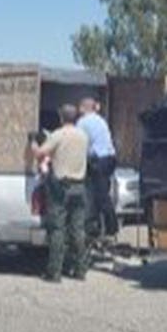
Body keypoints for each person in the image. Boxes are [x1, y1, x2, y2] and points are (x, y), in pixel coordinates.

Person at [30, 104, 89, 283]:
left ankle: (54, 272)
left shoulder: (58, 135)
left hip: (61, 187)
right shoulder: (83, 136)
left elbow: (41, 154)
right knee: (78, 230)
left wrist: (33, 142)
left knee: (57, 229)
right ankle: (80, 270)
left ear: (60, 117)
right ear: (76, 118)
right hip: (79, 186)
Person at [77, 97, 119, 237]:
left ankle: (111, 227)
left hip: (99, 160)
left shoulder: (83, 122)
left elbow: (77, 141)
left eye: (80, 107)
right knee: (100, 192)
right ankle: (99, 226)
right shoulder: (100, 120)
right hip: (110, 158)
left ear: (84, 108)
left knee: (100, 195)